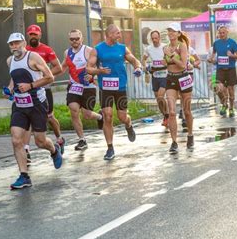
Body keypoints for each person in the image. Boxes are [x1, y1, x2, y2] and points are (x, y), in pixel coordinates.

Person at [5, 33, 62, 189]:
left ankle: (54, 149)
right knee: (16, 140)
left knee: (40, 141)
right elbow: (13, 80)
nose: (14, 46)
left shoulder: (34, 57)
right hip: (19, 105)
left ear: (24, 43)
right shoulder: (10, 61)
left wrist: (30, 86)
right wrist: (9, 90)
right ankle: (24, 176)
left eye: (17, 43)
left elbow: (50, 77)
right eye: (11, 44)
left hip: (37, 104)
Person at [87, 24, 141, 160]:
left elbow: (134, 60)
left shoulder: (122, 48)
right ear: (109, 34)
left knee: (123, 117)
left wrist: (138, 68)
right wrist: (99, 71)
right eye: (117, 33)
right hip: (105, 88)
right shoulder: (97, 49)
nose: (120, 35)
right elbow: (88, 68)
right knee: (108, 116)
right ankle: (110, 147)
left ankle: (129, 124)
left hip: (120, 87)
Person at [25, 24, 65, 161]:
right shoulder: (24, 50)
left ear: (40, 35)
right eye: (31, 34)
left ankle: (59, 139)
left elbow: (58, 68)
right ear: (28, 35)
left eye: (35, 34)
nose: (33, 36)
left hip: (44, 89)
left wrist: (43, 76)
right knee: (28, 119)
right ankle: (26, 150)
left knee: (49, 117)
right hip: (29, 90)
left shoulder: (46, 50)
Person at [61, 29, 104, 150]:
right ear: (69, 40)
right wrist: (48, 75)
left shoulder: (88, 50)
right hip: (74, 86)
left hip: (88, 87)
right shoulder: (67, 52)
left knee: (87, 114)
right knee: (74, 110)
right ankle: (82, 140)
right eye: (72, 39)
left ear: (82, 39)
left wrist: (93, 75)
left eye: (77, 39)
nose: (74, 41)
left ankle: (101, 117)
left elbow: (98, 65)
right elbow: (63, 67)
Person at [163, 22, 194, 153]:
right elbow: (165, 63)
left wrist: (171, 55)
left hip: (183, 78)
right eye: (169, 30)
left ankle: (190, 135)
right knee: (171, 112)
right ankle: (174, 141)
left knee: (186, 111)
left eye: (173, 31)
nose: (170, 33)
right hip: (170, 78)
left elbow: (182, 65)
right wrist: (166, 58)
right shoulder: (165, 47)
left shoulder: (182, 46)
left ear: (178, 33)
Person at [208, 25, 237, 118]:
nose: (222, 34)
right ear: (218, 33)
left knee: (231, 91)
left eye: (223, 32)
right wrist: (212, 59)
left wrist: (231, 55)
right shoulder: (216, 43)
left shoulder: (232, 42)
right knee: (220, 88)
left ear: (227, 32)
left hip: (230, 69)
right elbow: (213, 54)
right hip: (220, 69)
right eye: (220, 33)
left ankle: (231, 108)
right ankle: (224, 104)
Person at [142, 30, 168, 127]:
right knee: (158, 100)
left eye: (156, 38)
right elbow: (143, 59)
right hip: (155, 75)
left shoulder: (164, 47)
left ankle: (168, 115)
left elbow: (169, 59)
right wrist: (145, 67)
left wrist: (165, 61)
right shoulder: (149, 48)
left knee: (161, 96)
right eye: (153, 38)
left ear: (159, 38)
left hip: (165, 75)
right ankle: (165, 116)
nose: (154, 40)